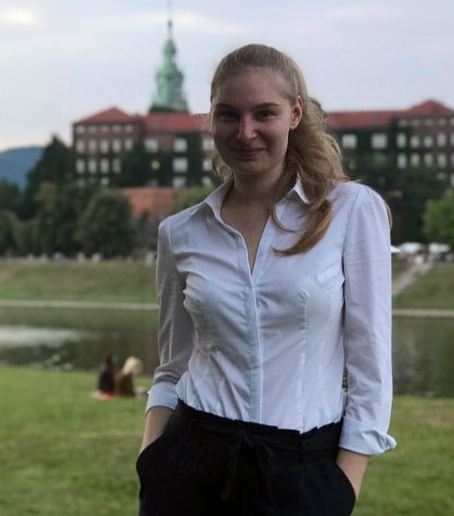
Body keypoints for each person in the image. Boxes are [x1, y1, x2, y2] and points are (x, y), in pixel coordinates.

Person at [137, 43, 395, 516]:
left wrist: (341, 488)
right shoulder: (180, 233)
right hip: (187, 467)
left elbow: (370, 372)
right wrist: (151, 457)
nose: (246, 132)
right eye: (228, 115)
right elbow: (173, 366)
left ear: (295, 114)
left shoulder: (352, 212)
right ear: (210, 119)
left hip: (303, 473)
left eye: (264, 114)